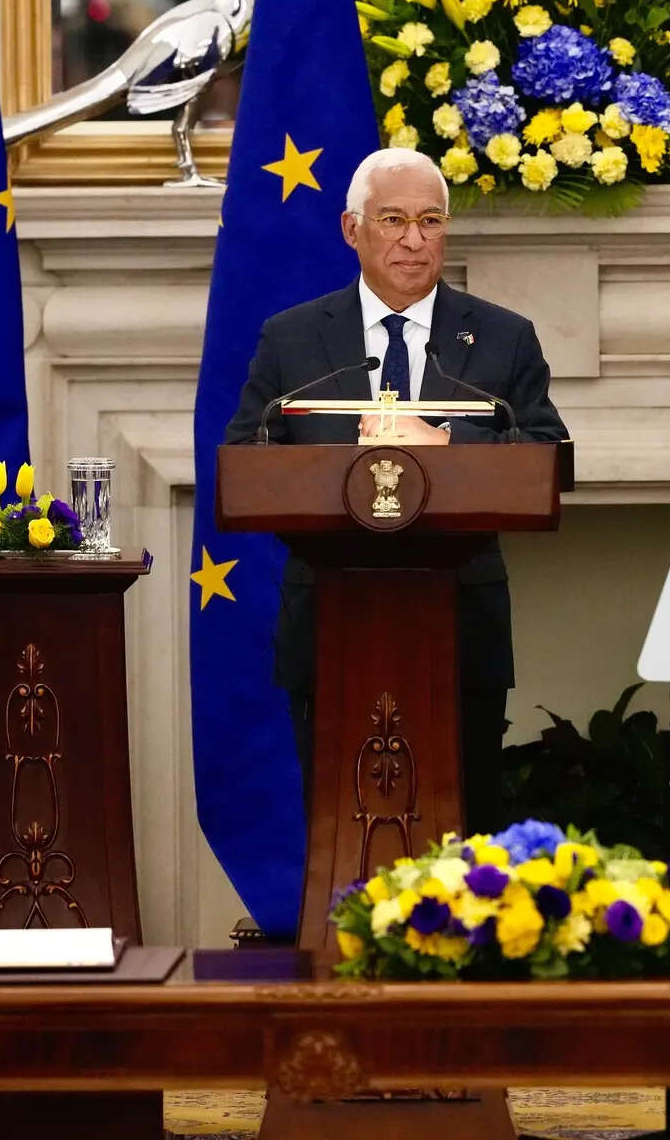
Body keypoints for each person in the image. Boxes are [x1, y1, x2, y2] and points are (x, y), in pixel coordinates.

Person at [224, 149, 567, 834]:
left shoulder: (503, 337)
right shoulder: (293, 338)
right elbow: (246, 457)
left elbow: (546, 458)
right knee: (339, 828)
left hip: (461, 624)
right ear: (351, 229)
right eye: (393, 220)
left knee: (462, 830)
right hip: (329, 622)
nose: (414, 240)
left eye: (430, 221)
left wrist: (443, 445)